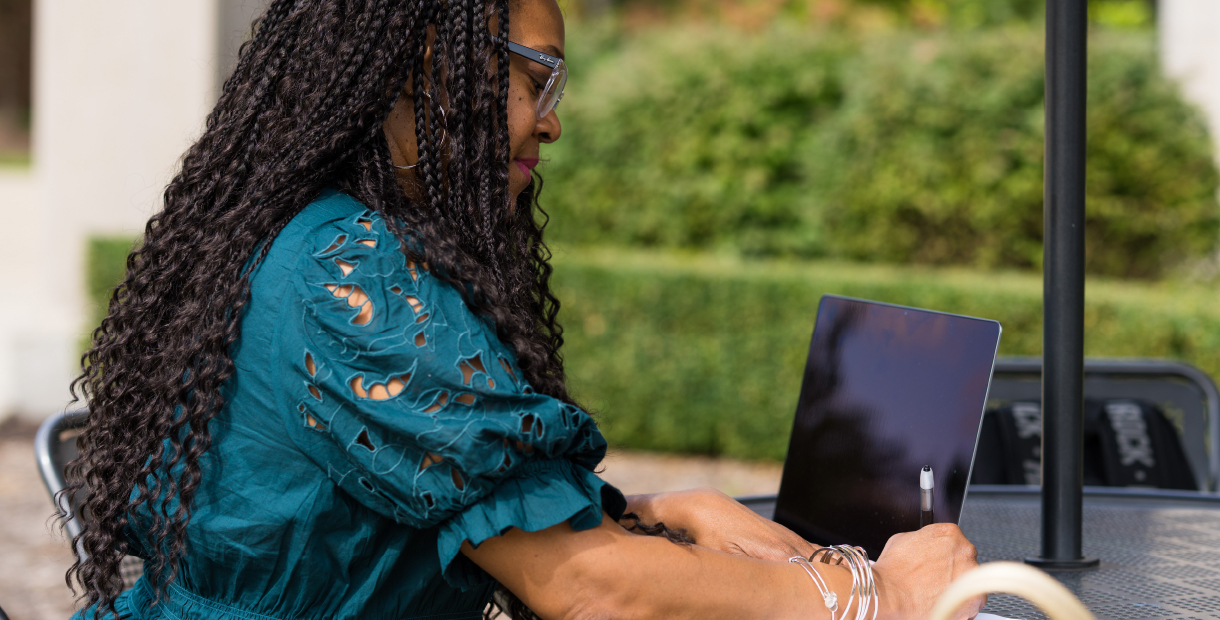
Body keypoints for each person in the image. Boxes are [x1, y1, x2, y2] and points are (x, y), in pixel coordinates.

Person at [64, 0, 986, 618]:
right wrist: (875, 593)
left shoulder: (295, 230)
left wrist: (660, 509)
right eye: (536, 77)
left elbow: (426, 506)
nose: (552, 120)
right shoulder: (354, 273)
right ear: (429, 58)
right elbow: (586, 590)